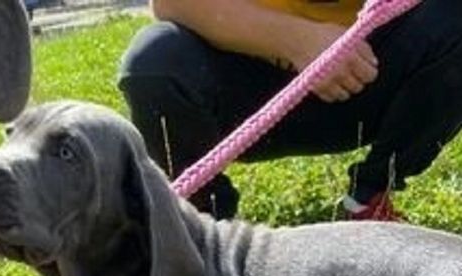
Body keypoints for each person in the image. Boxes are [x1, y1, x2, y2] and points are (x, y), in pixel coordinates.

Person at [118, 0, 462, 220]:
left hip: (364, 73)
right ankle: (206, 222)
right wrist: (298, 41)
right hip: (242, 91)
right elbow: (173, 3)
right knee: (154, 63)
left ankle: (369, 197)